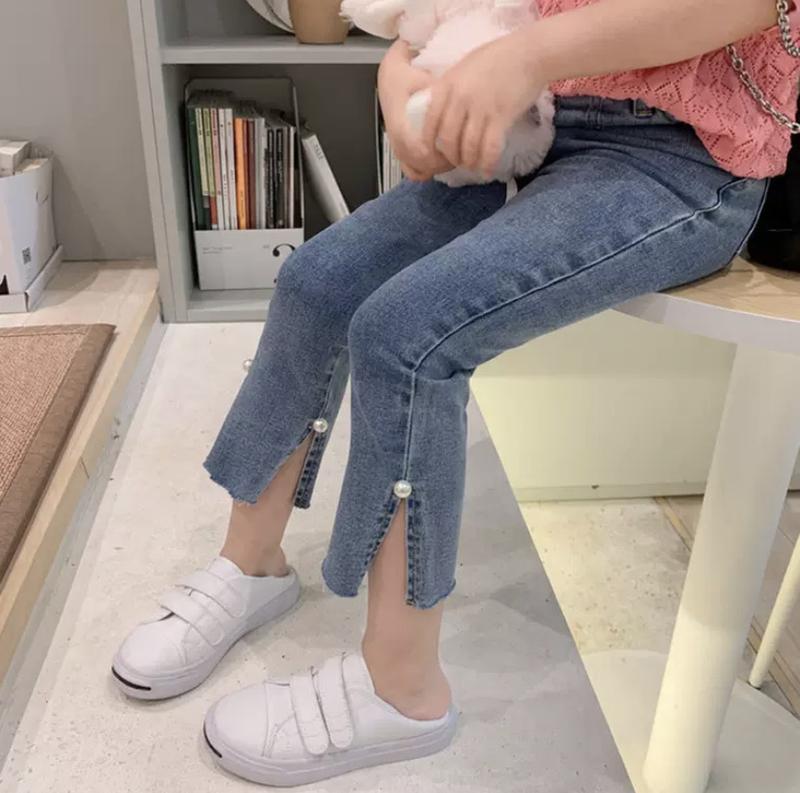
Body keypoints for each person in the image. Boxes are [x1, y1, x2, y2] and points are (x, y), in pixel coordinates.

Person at [112, 0, 799, 787]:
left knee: (407, 334)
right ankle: (252, 565)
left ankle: (403, 688)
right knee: (315, 283)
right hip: (530, 125)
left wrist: (526, 58)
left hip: (681, 154)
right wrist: (400, 74)